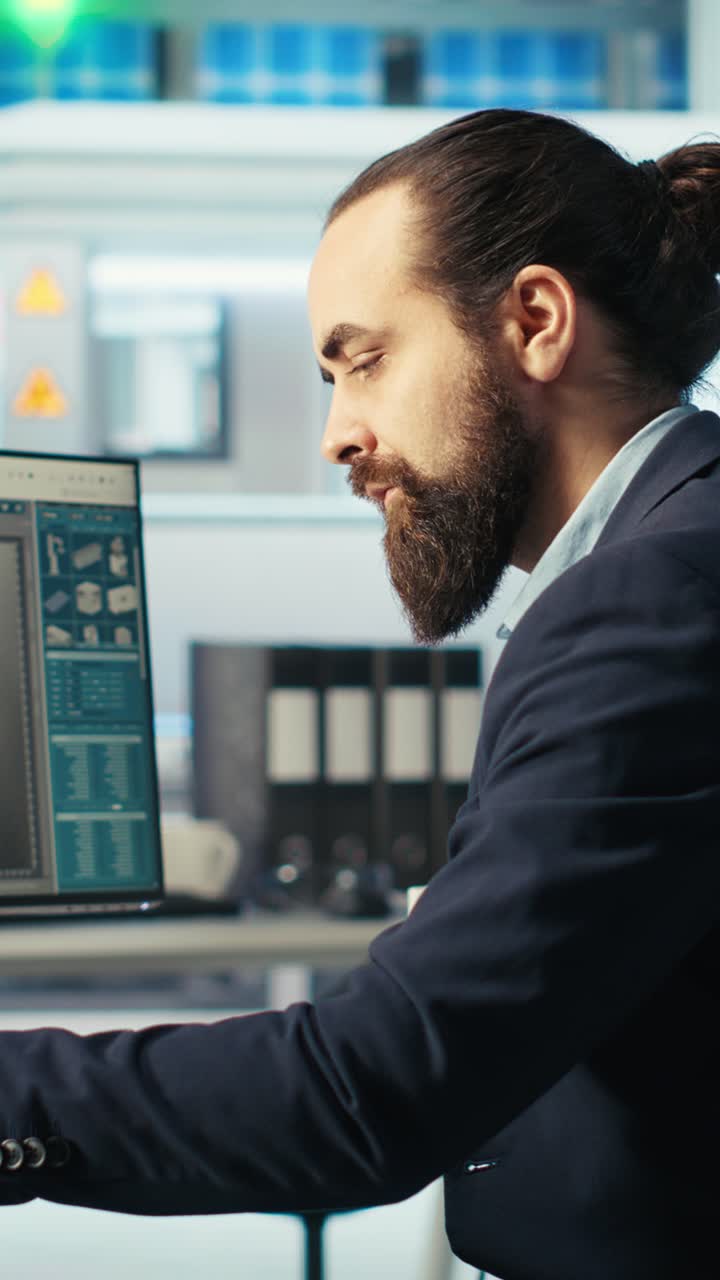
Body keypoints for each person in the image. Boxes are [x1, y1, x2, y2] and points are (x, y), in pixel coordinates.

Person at [2, 107, 720, 1280]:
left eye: (365, 359)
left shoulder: (655, 597)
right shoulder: (670, 556)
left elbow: (366, 1091)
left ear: (535, 322)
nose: (339, 433)